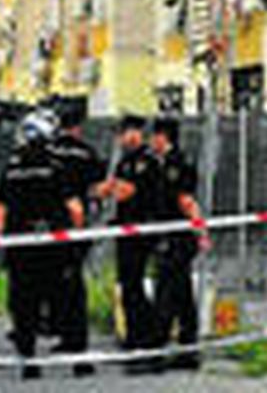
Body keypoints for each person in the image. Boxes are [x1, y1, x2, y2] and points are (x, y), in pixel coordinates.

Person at [0, 110, 84, 380]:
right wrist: (76, 238)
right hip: (54, 246)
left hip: (21, 246)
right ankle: (79, 360)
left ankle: (29, 360)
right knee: (67, 300)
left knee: (25, 304)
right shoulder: (56, 168)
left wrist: (4, 241)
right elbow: (75, 208)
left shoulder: (11, 170)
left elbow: (0, 210)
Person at [96, 115, 161, 370]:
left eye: (130, 132)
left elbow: (126, 191)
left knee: (135, 287)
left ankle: (146, 340)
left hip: (142, 231)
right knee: (128, 286)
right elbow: (110, 189)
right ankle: (135, 338)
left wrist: (110, 187)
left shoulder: (146, 160)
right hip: (126, 231)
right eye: (123, 133)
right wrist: (104, 188)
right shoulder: (125, 161)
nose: (126, 138)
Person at [46, 98, 101, 376]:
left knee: (56, 284)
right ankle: (78, 344)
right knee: (75, 285)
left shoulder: (49, 151)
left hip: (50, 227)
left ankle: (63, 335)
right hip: (75, 225)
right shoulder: (86, 153)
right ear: (78, 127)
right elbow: (94, 189)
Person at [149, 117, 208, 370]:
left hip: (177, 237)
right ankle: (188, 349)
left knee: (166, 293)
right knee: (183, 294)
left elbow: (187, 202)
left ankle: (157, 350)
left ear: (163, 137)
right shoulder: (163, 163)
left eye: (154, 136)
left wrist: (200, 232)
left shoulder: (177, 165)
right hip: (171, 235)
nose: (151, 141)